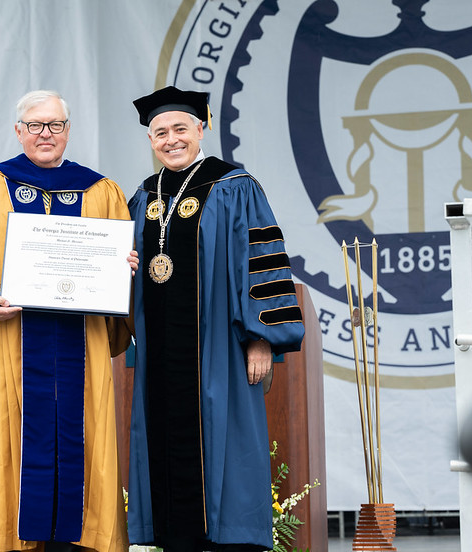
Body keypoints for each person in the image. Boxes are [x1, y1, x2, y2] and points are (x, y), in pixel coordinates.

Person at [0, 90, 135, 552]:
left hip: (78, 347)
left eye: (55, 125)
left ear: (67, 130)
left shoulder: (101, 192)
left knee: (81, 456)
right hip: (7, 342)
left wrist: (120, 269)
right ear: (18, 130)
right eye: (35, 125)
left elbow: (121, 295)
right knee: (5, 458)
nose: (45, 134)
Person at [126, 86, 306, 552]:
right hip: (161, 354)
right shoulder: (144, 195)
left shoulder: (234, 186)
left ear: (200, 129)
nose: (171, 140)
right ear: (150, 140)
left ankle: (229, 543)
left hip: (220, 349)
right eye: (160, 133)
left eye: (180, 129)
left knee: (226, 442)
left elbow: (262, 263)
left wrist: (262, 339)